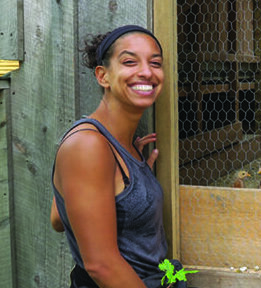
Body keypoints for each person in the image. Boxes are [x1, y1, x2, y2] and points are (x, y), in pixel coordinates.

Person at [50, 25, 186, 288]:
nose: (146, 71)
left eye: (155, 63)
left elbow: (59, 217)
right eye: (129, 62)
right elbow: (101, 265)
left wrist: (135, 184)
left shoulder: (120, 147)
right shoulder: (88, 146)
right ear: (103, 76)